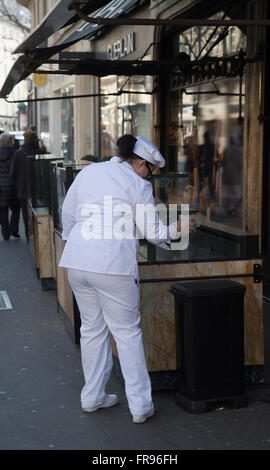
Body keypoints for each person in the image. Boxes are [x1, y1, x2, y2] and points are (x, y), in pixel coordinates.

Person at [59, 135, 195, 424]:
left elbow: (68, 213)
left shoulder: (90, 171)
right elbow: (154, 233)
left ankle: (92, 396)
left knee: (92, 330)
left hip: (77, 261)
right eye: (150, 170)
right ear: (141, 163)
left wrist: (77, 244)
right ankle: (140, 406)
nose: (150, 176)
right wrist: (180, 227)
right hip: (113, 265)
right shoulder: (138, 184)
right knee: (127, 333)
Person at [0, 132, 21, 240]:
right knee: (16, 208)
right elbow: (16, 170)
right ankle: (14, 230)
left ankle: (5, 233)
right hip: (12, 186)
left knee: (3, 210)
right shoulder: (14, 153)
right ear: (9, 142)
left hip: (1, 187)